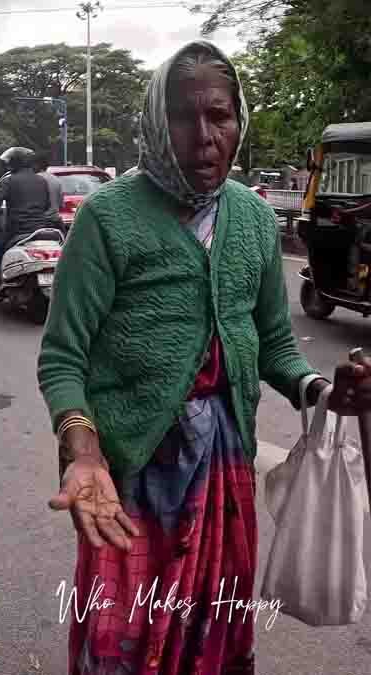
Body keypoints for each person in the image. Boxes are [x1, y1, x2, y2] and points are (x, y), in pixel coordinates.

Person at [37, 40, 371, 673]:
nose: (205, 136)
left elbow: (275, 343)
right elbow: (62, 356)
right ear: (156, 125)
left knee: (213, 636)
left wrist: (321, 392)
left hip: (224, 472)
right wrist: (83, 450)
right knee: (124, 642)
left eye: (220, 116)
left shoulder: (250, 218)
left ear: (239, 119)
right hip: (132, 475)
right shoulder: (108, 219)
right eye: (184, 118)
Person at [0, 147, 52, 284]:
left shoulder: (9, 181)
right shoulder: (42, 181)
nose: (8, 166)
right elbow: (47, 205)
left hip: (18, 229)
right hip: (41, 229)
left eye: (10, 163)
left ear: (15, 164)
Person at [34, 153, 66, 231]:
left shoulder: (32, 180)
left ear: (36, 165)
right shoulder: (56, 180)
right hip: (55, 222)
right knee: (65, 240)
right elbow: (61, 205)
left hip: (36, 223)